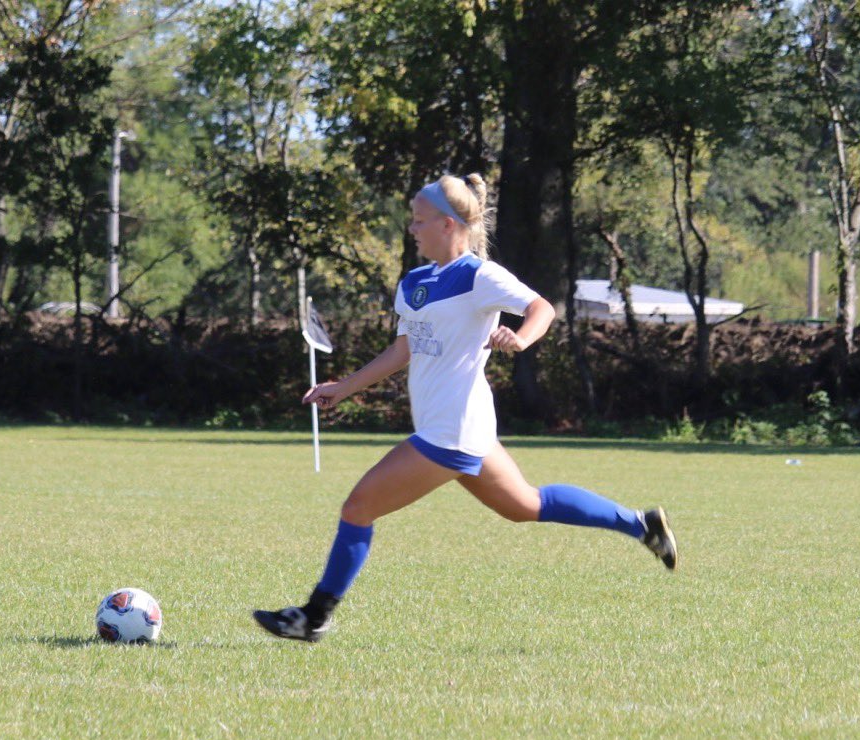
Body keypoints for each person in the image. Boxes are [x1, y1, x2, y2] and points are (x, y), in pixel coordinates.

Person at [253, 173, 677, 642]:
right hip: (461, 425)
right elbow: (401, 351)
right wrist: (344, 387)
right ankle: (640, 525)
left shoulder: (479, 275)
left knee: (358, 507)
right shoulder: (414, 281)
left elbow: (542, 308)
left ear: (450, 224)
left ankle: (312, 618)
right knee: (525, 505)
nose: (411, 230)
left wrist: (520, 338)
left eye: (419, 221)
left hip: (451, 430)